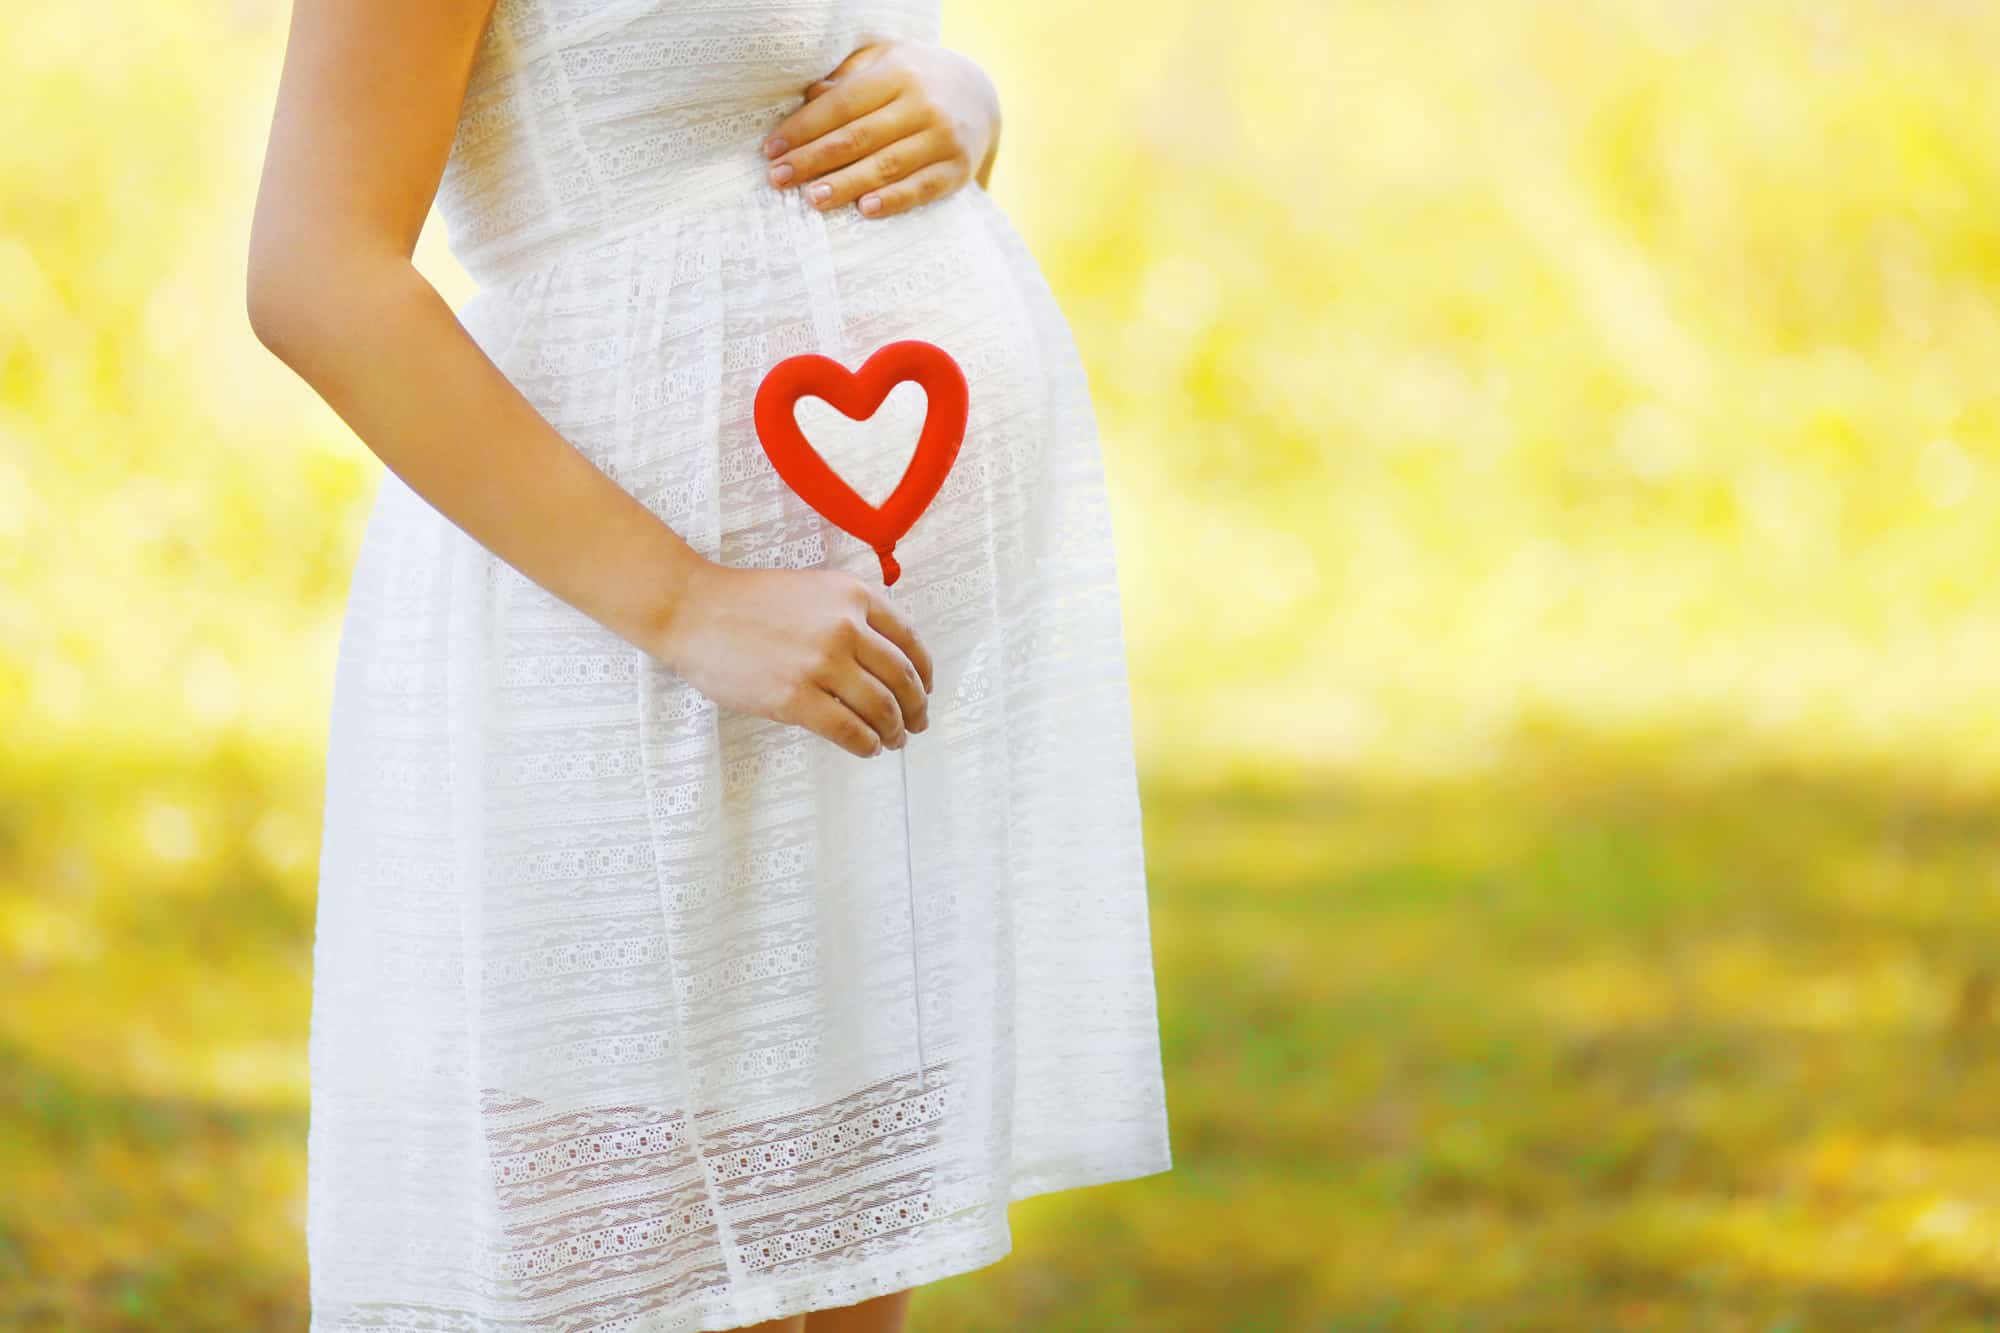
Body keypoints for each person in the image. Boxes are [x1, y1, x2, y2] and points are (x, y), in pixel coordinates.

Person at [246, 2, 1173, 1330]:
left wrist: (962, 104)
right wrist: (687, 604)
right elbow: (313, 273)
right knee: (668, 1279)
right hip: (626, 639)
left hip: (862, 681)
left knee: (832, 1268)